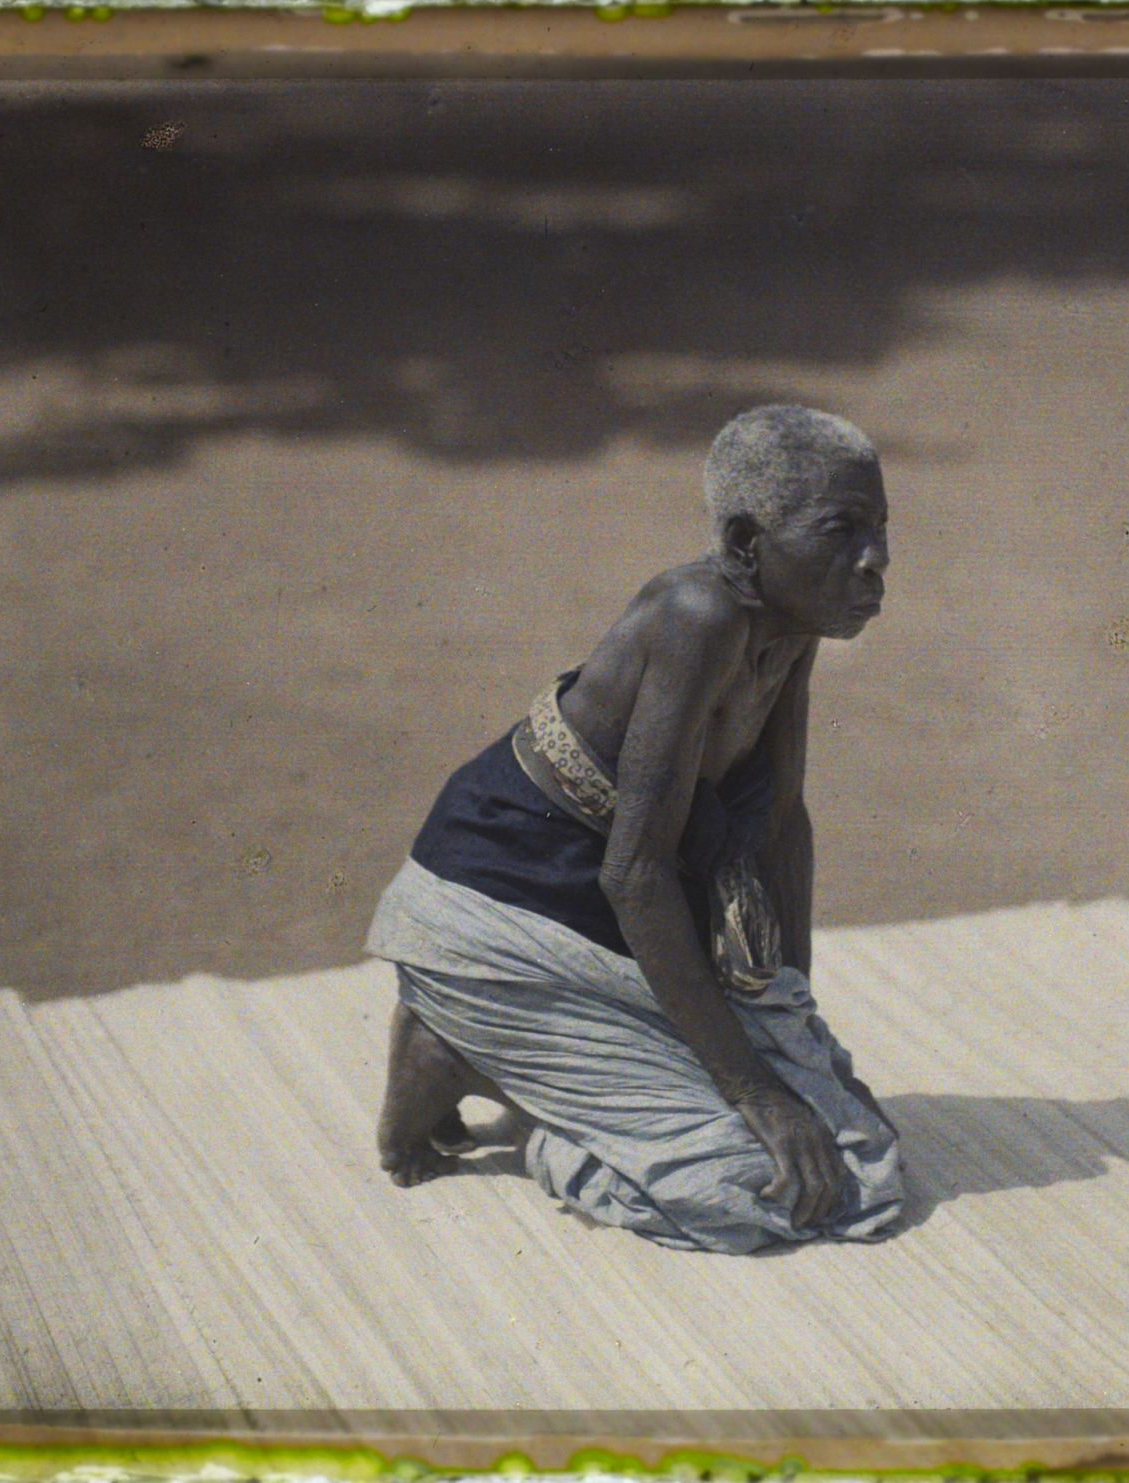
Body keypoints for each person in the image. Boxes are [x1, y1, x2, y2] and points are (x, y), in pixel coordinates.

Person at [363, 404, 904, 1254]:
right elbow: (636, 874)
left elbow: (780, 826)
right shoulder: (697, 616)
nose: (875, 561)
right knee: (753, 1187)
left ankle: (525, 1058)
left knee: (858, 1160)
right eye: (842, 530)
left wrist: (790, 1029)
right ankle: (466, 1051)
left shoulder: (793, 625)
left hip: (618, 906)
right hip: (500, 902)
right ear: (743, 546)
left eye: (879, 528)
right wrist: (757, 1091)